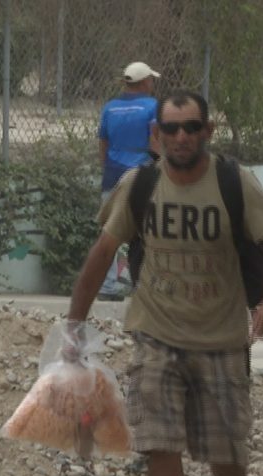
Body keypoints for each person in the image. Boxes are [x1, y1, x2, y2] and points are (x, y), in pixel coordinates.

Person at [67, 90, 263, 476]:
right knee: (157, 441)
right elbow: (102, 254)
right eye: (170, 129)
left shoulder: (235, 182)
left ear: (207, 132)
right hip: (156, 333)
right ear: (156, 135)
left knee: (224, 452)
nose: (180, 137)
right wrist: (74, 325)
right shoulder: (140, 185)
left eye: (190, 127)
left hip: (220, 339)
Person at [97, 61, 161, 301]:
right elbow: (155, 140)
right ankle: (142, 284)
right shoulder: (152, 106)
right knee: (146, 230)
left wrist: (107, 167)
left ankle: (107, 285)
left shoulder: (110, 108)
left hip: (113, 174)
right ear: (145, 82)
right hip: (142, 175)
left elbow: (102, 143)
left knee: (110, 231)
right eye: (151, 80)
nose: (152, 84)